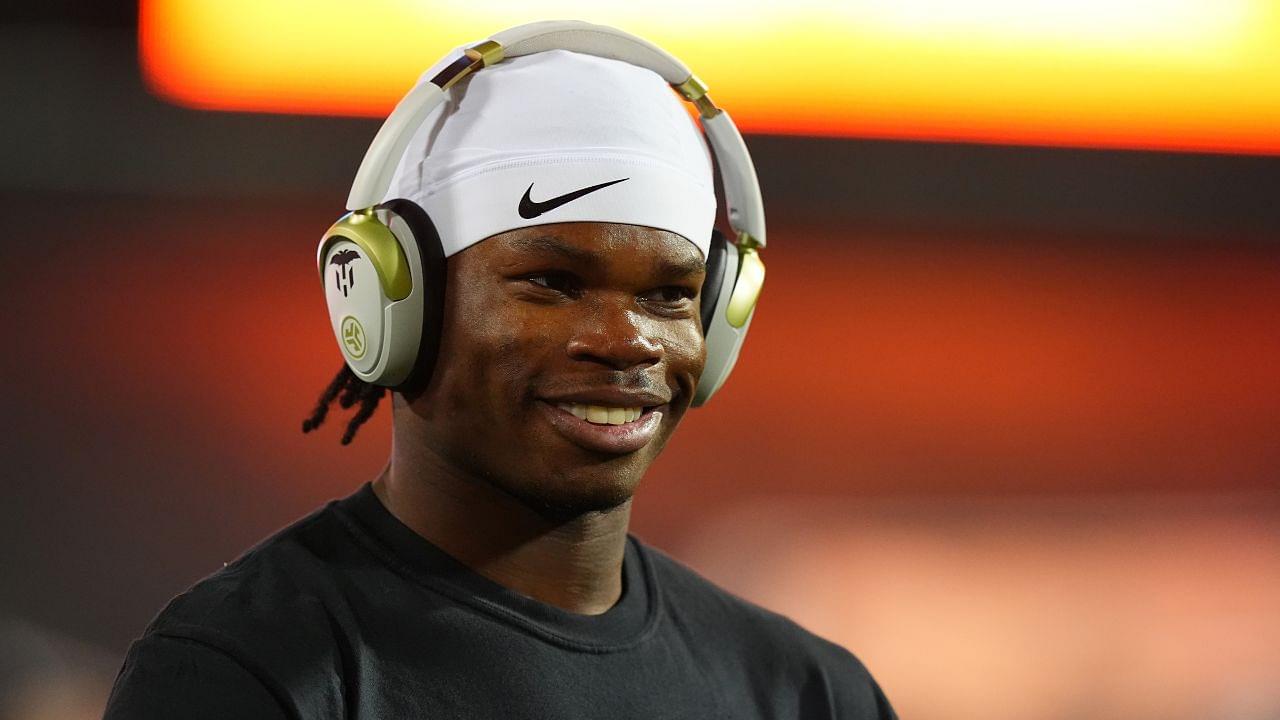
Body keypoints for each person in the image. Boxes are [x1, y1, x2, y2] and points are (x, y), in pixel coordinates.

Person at [102, 21, 897, 719]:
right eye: (552, 282)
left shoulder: (811, 694)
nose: (627, 342)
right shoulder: (240, 673)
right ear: (392, 304)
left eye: (668, 294)